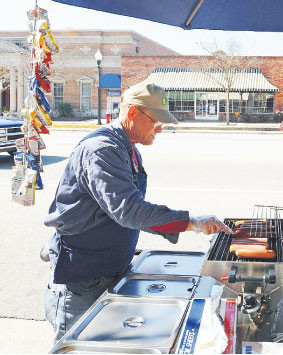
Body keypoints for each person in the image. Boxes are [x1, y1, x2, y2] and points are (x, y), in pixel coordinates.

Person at [42, 80, 231, 343]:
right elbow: (129, 211)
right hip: (83, 281)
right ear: (132, 113)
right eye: (155, 120)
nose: (160, 128)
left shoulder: (127, 147)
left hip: (109, 269)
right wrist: (192, 222)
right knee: (79, 346)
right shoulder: (102, 151)